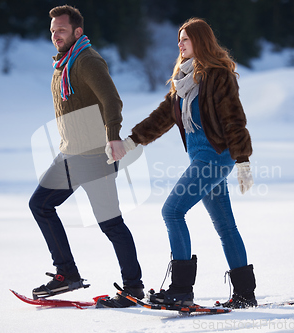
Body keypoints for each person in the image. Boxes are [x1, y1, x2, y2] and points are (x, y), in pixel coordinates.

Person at [109, 17, 257, 309]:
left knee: (172, 211)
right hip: (201, 157)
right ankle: (244, 294)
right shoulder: (183, 81)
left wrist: (243, 160)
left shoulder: (219, 76)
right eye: (179, 39)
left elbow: (234, 119)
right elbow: (163, 116)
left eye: (185, 39)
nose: (179, 44)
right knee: (225, 226)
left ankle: (180, 289)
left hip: (215, 157)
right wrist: (131, 141)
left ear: (200, 41)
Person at [28, 5, 143, 308]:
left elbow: (111, 100)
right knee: (40, 204)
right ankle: (67, 273)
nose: (56, 35)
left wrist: (114, 137)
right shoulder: (63, 65)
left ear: (77, 31)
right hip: (70, 155)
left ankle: (133, 288)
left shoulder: (87, 60)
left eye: (61, 30)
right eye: (53, 31)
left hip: (93, 157)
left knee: (110, 223)